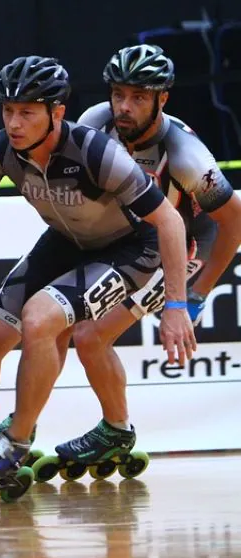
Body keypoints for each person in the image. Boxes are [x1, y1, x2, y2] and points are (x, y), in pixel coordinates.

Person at [0, 56, 194, 505]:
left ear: (57, 113)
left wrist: (177, 306)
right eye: (8, 110)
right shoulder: (0, 147)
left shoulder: (98, 153)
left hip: (127, 249)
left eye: (27, 111)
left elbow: (171, 224)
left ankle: (15, 442)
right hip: (67, 240)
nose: (14, 122)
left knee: (41, 318)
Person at [30, 44, 238, 470]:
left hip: (179, 245)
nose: (124, 107)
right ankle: (24, 429)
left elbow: (233, 223)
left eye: (139, 97)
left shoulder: (186, 156)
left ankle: (116, 430)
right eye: (119, 94)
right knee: (55, 326)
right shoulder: (93, 121)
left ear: (163, 99)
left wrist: (195, 294)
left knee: (91, 336)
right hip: (126, 240)